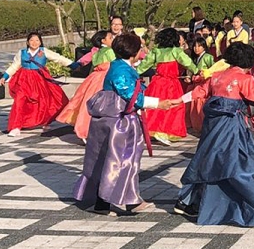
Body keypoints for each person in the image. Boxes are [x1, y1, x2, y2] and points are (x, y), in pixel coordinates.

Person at [174, 42, 254, 227]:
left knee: (209, 161)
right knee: (239, 165)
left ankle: (194, 201)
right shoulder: (244, 79)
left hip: (213, 127)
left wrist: (178, 100)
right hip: (233, 127)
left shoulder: (217, 77)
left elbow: (199, 91)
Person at [73, 33, 177, 216]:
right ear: (134, 51)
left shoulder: (120, 66)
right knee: (121, 160)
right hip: (119, 122)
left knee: (109, 161)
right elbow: (129, 94)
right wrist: (158, 103)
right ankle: (119, 201)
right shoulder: (121, 70)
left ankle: (111, 201)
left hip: (114, 119)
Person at [0, 32, 77, 137]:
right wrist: (5, 76)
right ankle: (15, 127)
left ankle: (45, 120)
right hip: (24, 80)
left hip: (40, 80)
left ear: (40, 42)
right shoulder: (22, 53)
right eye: (31, 40)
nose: (34, 43)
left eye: (37, 40)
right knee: (19, 101)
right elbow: (14, 66)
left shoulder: (43, 51)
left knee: (45, 101)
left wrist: (72, 64)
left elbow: (58, 58)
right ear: (27, 42)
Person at [136, 28, 198, 146]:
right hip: (171, 83)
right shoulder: (176, 51)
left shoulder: (156, 51)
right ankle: (164, 131)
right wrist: (196, 70)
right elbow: (187, 62)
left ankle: (152, 130)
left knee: (154, 106)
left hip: (157, 82)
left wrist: (135, 73)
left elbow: (144, 64)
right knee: (173, 107)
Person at [57, 30, 115, 143]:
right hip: (105, 78)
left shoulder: (97, 52)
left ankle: (86, 129)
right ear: (103, 40)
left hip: (93, 78)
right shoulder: (109, 51)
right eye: (110, 38)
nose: (112, 40)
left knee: (87, 103)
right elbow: (115, 65)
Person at [187, 37, 215, 132]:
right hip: (196, 84)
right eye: (195, 46)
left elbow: (213, 70)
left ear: (204, 47)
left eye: (199, 46)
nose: (196, 48)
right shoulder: (195, 58)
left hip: (204, 85)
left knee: (201, 105)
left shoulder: (208, 57)